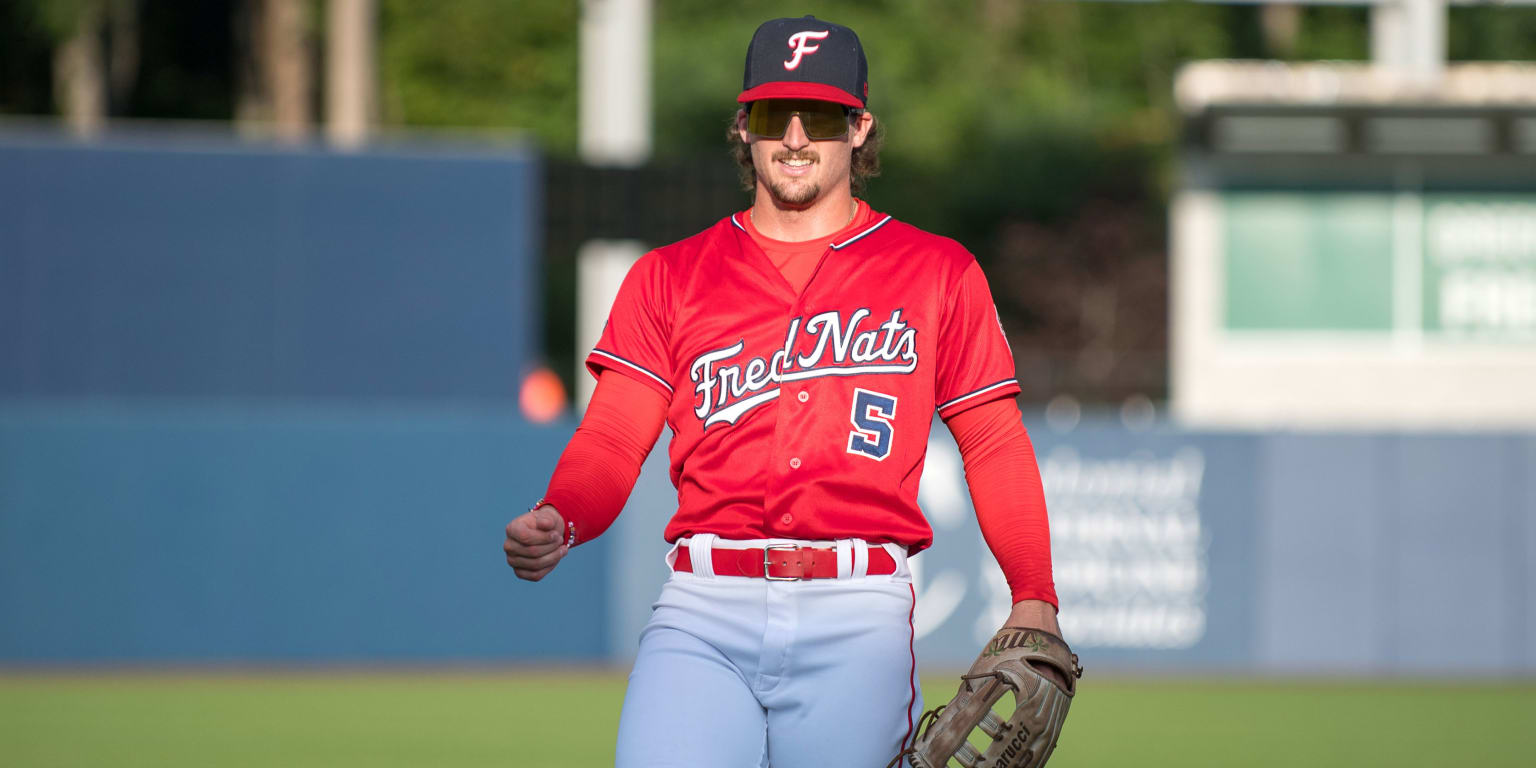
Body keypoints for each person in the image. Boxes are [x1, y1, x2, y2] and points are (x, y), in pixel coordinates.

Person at [505, 16, 1060, 768]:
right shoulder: (670, 275)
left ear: (860, 127)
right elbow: (611, 437)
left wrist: (1034, 592)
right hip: (704, 607)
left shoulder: (936, 272)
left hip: (856, 613)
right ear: (744, 126)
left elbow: (992, 440)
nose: (796, 137)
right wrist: (561, 513)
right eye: (773, 115)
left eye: (823, 117)